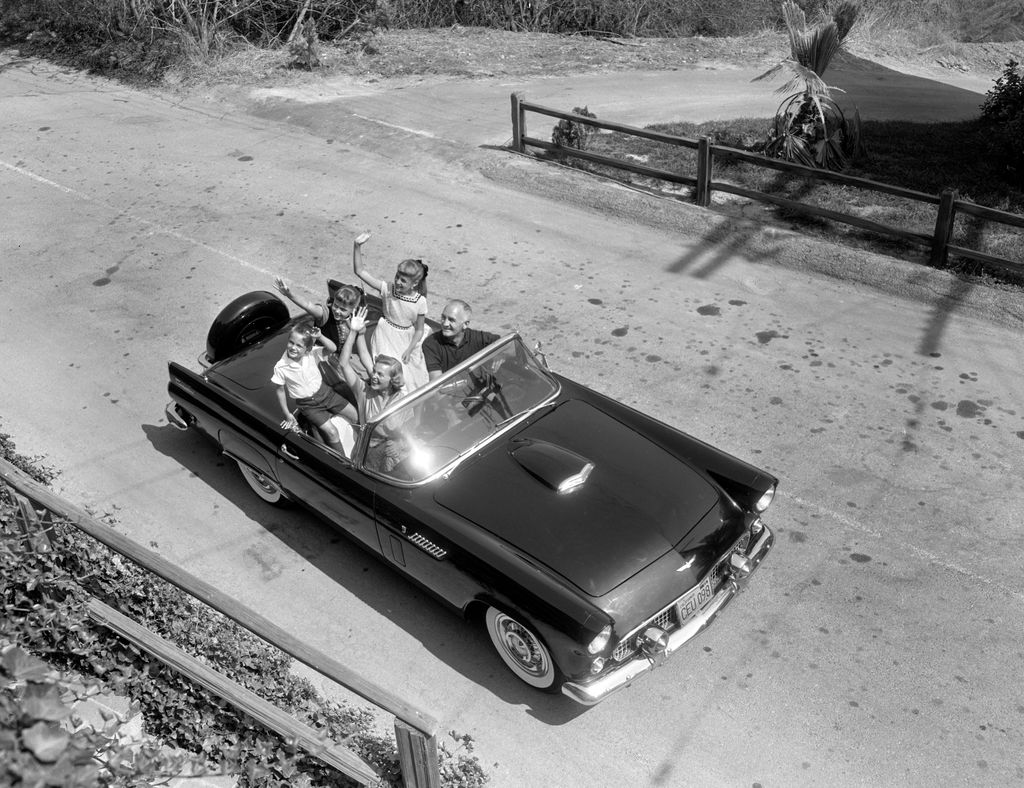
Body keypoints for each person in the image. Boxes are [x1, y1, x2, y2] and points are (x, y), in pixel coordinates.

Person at [337, 306, 413, 472]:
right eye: (374, 372)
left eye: (380, 374)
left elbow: (410, 429)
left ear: (392, 380)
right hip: (368, 454)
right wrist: (354, 332)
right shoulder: (364, 391)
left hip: (396, 454)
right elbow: (343, 364)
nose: (374, 376)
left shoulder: (403, 398)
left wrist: (401, 444)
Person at [351, 232, 430, 391]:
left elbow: (419, 329)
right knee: (385, 374)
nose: (398, 282)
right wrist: (357, 246)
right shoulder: (387, 288)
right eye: (397, 277)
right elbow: (360, 271)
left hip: (406, 341)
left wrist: (409, 349)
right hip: (384, 336)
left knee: (410, 380)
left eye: (403, 280)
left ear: (414, 283)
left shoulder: (420, 302)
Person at [272, 274, 369, 390]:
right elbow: (307, 305)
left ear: (353, 310)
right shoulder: (325, 314)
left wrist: (371, 370)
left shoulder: (355, 322)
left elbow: (363, 352)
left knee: (364, 381)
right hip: (324, 359)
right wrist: (289, 294)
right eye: (335, 306)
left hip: (345, 358)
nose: (337, 311)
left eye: (343, 309)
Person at [271, 324, 355, 455]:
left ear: (307, 349)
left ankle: (365, 445)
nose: (293, 347)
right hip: (309, 405)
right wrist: (287, 413)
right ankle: (343, 460)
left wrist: (320, 336)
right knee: (332, 432)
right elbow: (280, 390)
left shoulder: (312, 354)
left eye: (299, 345)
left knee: (354, 414)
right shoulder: (281, 367)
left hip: (327, 394)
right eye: (291, 342)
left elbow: (332, 348)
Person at [422, 299, 500, 381]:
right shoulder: (431, 344)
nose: (445, 324)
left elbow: (504, 344)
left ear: (465, 324)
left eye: (451, 320)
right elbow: (436, 383)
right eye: (443, 318)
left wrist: (499, 355)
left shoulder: (476, 338)